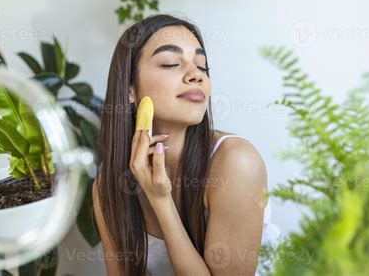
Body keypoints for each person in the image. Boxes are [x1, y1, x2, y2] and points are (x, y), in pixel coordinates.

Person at [93, 14, 275, 275]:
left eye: (202, 67)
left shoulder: (236, 163)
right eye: (170, 63)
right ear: (130, 89)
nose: (195, 76)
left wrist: (160, 200)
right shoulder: (107, 188)